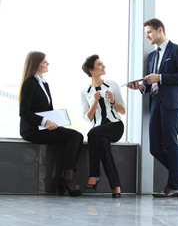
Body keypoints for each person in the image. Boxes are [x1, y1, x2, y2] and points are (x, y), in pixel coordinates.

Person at [127, 18, 178, 197]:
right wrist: (142, 87)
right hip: (155, 102)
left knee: (170, 143)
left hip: (171, 103)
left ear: (160, 30)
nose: (147, 36)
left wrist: (160, 77)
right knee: (155, 148)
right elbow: (152, 83)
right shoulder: (152, 56)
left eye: (149, 32)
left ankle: (173, 186)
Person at [18, 51, 83, 196]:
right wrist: (45, 121)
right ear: (36, 64)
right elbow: (24, 112)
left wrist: (55, 121)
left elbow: (47, 110)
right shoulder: (29, 84)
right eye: (44, 62)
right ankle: (68, 179)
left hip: (43, 127)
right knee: (75, 137)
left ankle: (59, 180)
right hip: (32, 130)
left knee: (72, 137)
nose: (48, 64)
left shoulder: (44, 84)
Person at [81, 54, 125, 198]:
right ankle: (116, 186)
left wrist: (112, 101)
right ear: (91, 70)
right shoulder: (85, 91)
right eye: (99, 64)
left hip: (115, 126)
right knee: (103, 143)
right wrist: (94, 102)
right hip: (99, 129)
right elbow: (88, 118)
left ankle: (94, 175)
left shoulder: (112, 84)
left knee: (92, 133)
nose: (103, 66)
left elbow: (122, 111)